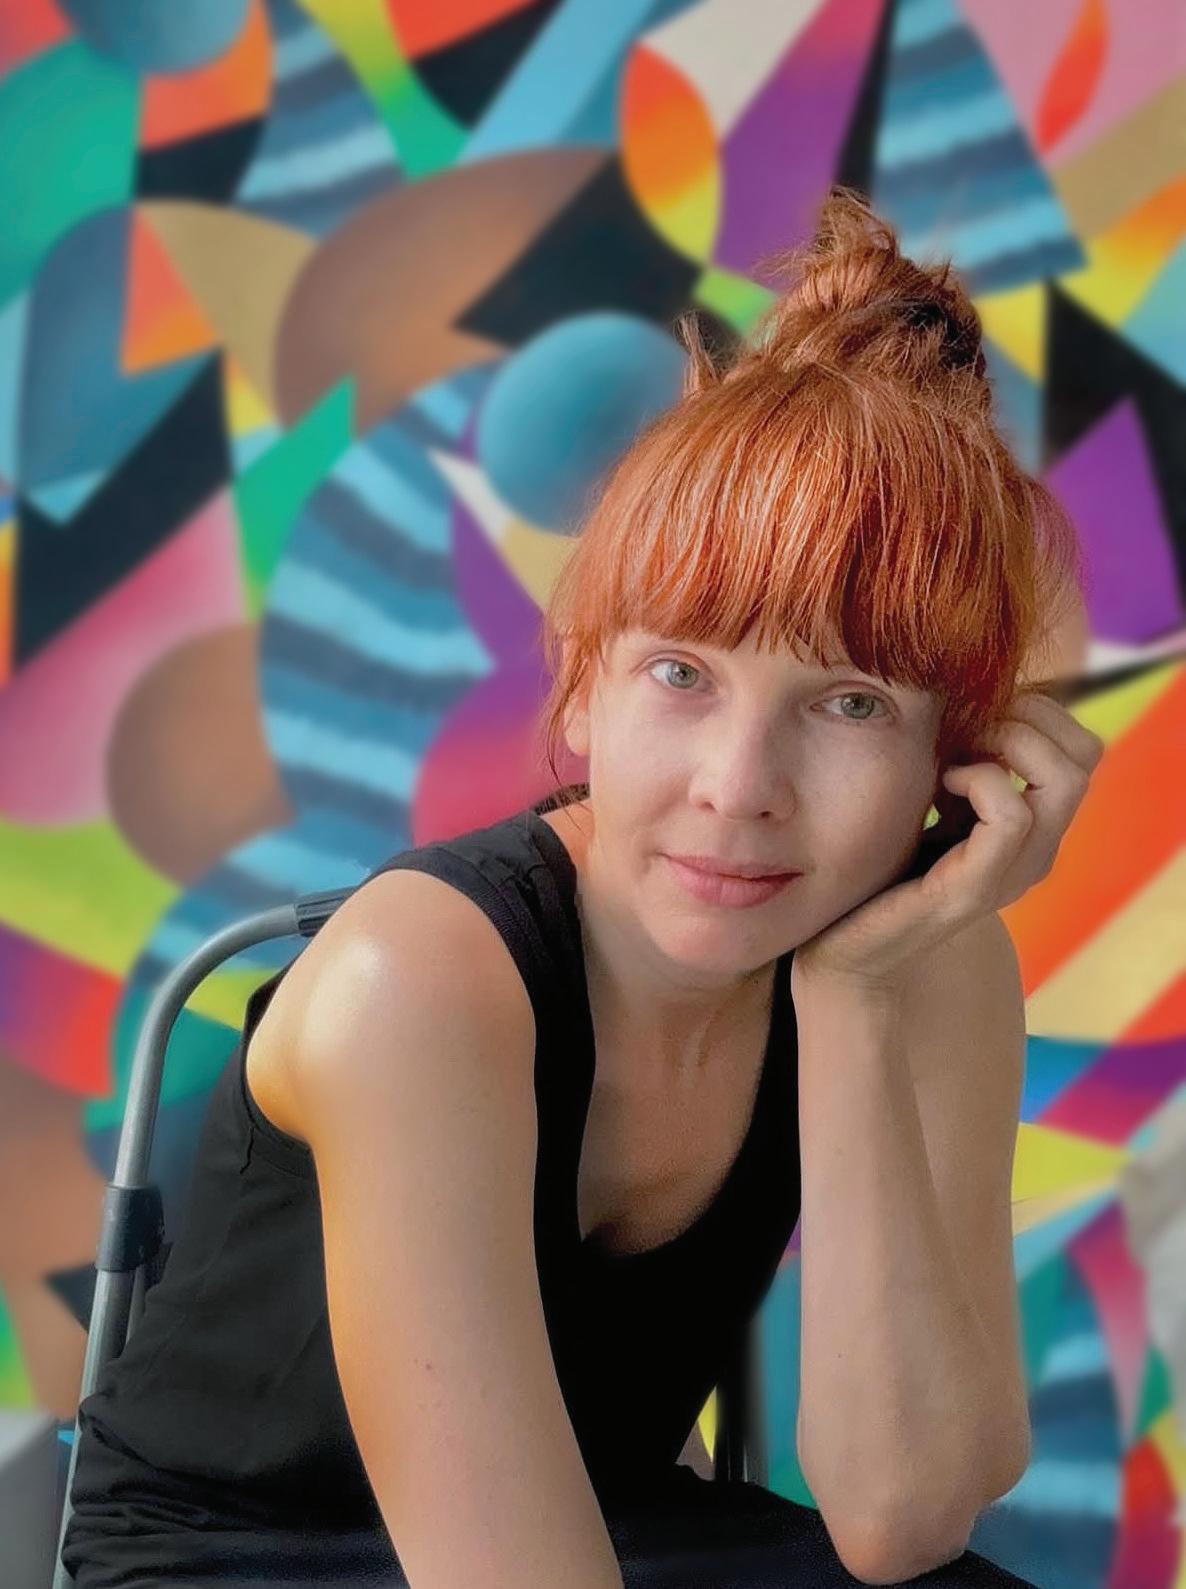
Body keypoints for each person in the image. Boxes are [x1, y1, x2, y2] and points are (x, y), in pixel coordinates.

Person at [60, 186, 1101, 1588]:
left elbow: (900, 1521)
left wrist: (858, 999)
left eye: (851, 703)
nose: (739, 785)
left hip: (615, 1530)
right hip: (242, 1562)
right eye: (681, 673)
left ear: (954, 754)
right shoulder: (417, 981)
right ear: (584, 684)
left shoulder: (921, 956)